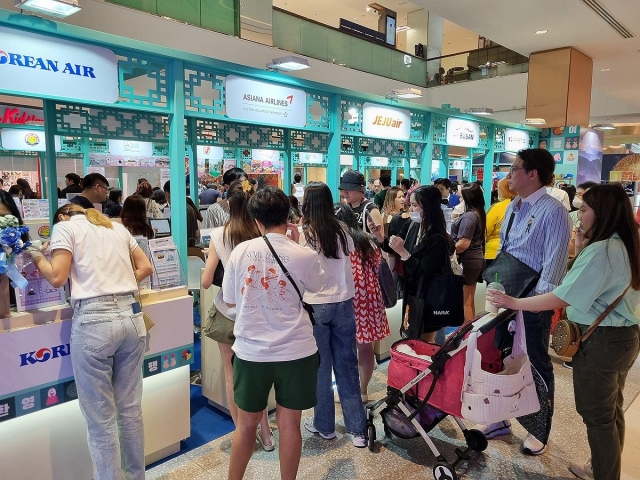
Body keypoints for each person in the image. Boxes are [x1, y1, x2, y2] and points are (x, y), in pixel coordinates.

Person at [487, 183, 640, 480]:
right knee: (611, 410)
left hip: (601, 341)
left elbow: (563, 296)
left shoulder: (604, 249)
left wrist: (515, 301)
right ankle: (600, 468)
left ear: (603, 212)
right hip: (625, 337)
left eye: (583, 209)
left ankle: (605, 475)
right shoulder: (627, 243)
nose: (577, 215)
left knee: (598, 418)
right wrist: (582, 248)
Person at [27, 203, 153, 480]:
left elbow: (57, 277)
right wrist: (116, 284)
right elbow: (145, 267)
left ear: (62, 216)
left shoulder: (65, 228)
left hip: (94, 321)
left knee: (101, 418)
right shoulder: (116, 227)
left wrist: (34, 252)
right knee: (130, 410)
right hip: (131, 316)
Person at [222, 187, 322, 480]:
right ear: (288, 216)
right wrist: (298, 241)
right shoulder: (304, 253)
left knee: (246, 425)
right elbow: (315, 289)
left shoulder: (241, 251)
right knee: (290, 424)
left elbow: (229, 299)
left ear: (256, 220)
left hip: (251, 351)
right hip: (297, 351)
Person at [478, 148, 571, 456]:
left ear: (533, 174)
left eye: (515, 168)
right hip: (506, 297)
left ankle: (539, 429)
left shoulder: (552, 210)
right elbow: (508, 250)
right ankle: (500, 418)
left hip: (531, 302)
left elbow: (554, 263)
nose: (509, 174)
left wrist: (536, 306)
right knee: (501, 357)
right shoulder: (513, 205)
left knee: (535, 363)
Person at [200, 180, 273, 452]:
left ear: (227, 204)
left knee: (231, 377)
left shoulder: (219, 234)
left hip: (228, 313)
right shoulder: (259, 231)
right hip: (257, 313)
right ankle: (266, 436)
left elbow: (206, 281)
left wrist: (212, 259)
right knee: (257, 377)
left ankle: (243, 435)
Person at [299, 182, 366, 447]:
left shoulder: (305, 233)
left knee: (321, 369)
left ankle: (325, 426)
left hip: (316, 306)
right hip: (344, 304)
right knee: (347, 366)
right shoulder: (341, 229)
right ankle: (358, 430)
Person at [370, 186, 452, 343]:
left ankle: (429, 365)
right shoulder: (412, 225)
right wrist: (379, 236)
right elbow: (395, 246)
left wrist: (404, 253)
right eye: (411, 204)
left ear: (428, 207)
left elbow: (425, 270)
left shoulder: (437, 238)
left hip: (429, 297)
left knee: (426, 340)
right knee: (413, 336)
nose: (410, 208)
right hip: (412, 292)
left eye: (415, 205)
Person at [334, 203, 390, 402]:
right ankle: (362, 391)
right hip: (369, 298)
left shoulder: (337, 244)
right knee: (365, 347)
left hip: (348, 299)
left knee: (345, 349)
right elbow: (378, 266)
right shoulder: (367, 240)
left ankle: (350, 390)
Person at [451, 183, 486, 321]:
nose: (460, 200)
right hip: (476, 259)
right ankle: (471, 330)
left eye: (462, 197)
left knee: (465, 301)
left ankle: (467, 333)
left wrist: (449, 250)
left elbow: (463, 244)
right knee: (469, 300)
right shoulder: (478, 213)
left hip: (468, 261)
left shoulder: (469, 217)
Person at [485, 178, 516, 271]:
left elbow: (485, 230)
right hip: (515, 254)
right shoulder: (524, 205)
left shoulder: (497, 208)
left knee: (494, 284)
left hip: (494, 252)